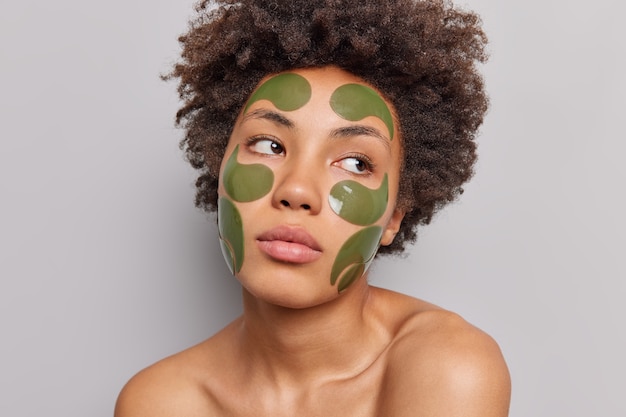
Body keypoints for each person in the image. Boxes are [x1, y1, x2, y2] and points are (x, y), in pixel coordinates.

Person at [115, 0, 511, 415]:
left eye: (356, 163)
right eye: (269, 146)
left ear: (395, 215)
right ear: (221, 171)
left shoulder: (447, 367)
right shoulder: (159, 402)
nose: (298, 190)